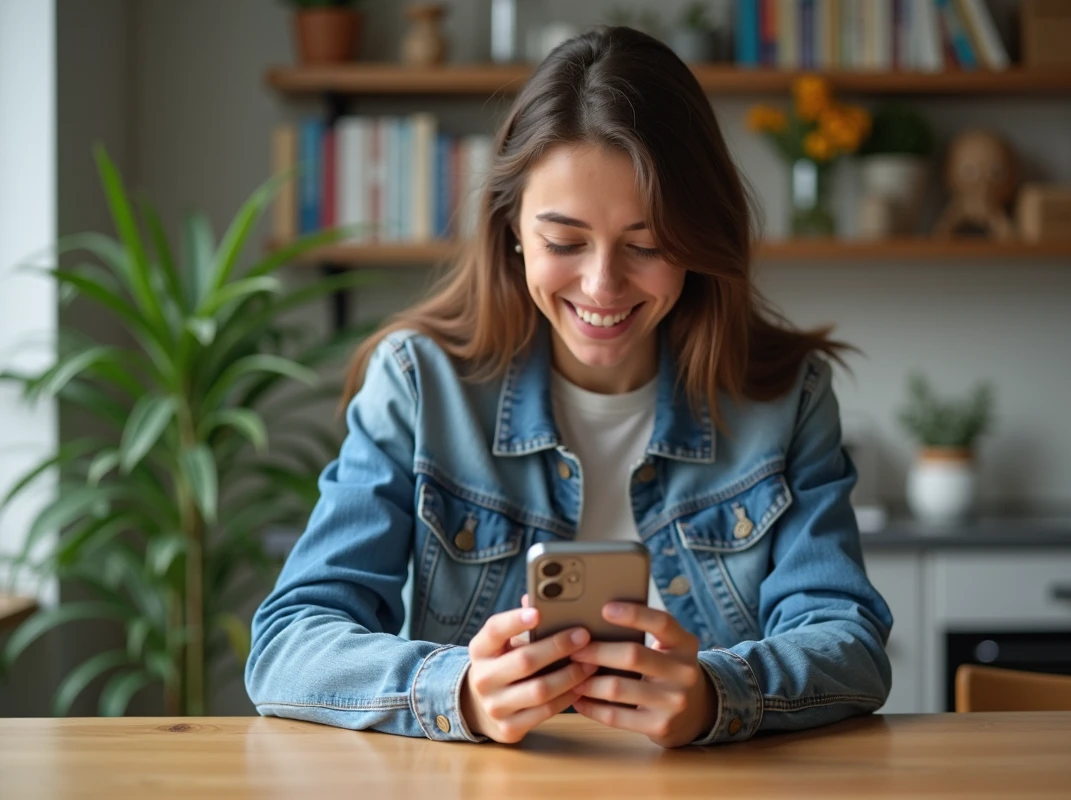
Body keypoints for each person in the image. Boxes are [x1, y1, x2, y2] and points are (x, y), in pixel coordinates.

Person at [246, 25, 891, 748]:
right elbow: (288, 646)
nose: (602, 284)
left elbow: (851, 645)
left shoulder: (786, 396)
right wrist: (457, 691)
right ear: (513, 229)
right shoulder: (419, 386)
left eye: (646, 245)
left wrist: (719, 694)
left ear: (698, 239)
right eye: (564, 242)